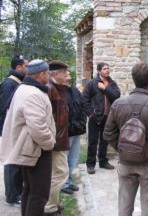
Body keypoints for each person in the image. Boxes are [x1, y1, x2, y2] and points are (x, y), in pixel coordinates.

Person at [104, 62, 148, 216]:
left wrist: (123, 149)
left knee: (124, 206)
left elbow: (108, 133)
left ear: (133, 79)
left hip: (126, 163)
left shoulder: (118, 104)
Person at [0, 59, 56, 216]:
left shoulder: (25, 89)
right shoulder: (32, 93)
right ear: (42, 74)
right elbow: (37, 126)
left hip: (31, 149)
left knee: (29, 190)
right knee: (39, 193)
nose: (49, 76)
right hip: (36, 150)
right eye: (47, 73)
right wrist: (49, 143)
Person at [0, 54, 28, 207]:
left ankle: (18, 191)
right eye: (26, 65)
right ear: (18, 67)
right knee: (12, 162)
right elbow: (5, 109)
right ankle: (12, 196)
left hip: (15, 130)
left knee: (18, 163)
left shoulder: (18, 82)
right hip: (11, 130)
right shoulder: (9, 84)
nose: (28, 68)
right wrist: (11, 130)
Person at [82, 62, 120, 174]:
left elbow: (116, 96)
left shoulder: (112, 83)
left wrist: (105, 88)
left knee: (105, 140)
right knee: (93, 141)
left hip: (108, 117)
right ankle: (90, 164)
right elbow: (84, 99)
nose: (107, 70)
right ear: (99, 71)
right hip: (95, 116)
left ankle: (103, 162)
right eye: (104, 69)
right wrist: (90, 114)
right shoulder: (92, 83)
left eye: (108, 68)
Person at [45, 60, 71, 216]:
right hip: (56, 140)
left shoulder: (56, 88)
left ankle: (52, 203)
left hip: (59, 138)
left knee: (56, 172)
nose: (66, 74)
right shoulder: (50, 89)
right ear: (55, 74)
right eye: (63, 72)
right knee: (60, 173)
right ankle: (49, 207)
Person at [61, 71, 86, 194]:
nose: (67, 74)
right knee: (63, 158)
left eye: (68, 72)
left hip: (76, 130)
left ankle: (69, 181)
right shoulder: (58, 91)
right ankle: (64, 183)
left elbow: (81, 106)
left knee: (73, 158)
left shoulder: (74, 91)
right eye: (64, 73)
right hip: (66, 131)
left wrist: (82, 122)